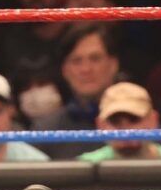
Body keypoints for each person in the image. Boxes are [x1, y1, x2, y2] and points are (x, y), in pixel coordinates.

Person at [31, 25, 121, 160]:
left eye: (95, 58)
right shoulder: (46, 131)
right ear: (65, 70)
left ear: (113, 65)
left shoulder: (139, 123)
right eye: (76, 61)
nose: (86, 69)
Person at [77, 82, 161, 162]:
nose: (125, 129)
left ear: (153, 120)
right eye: (115, 121)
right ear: (101, 125)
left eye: (134, 119)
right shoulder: (85, 166)